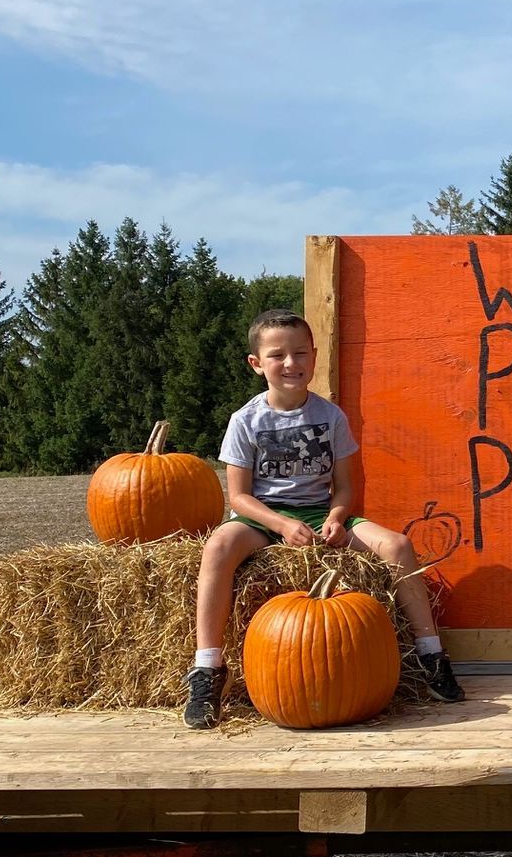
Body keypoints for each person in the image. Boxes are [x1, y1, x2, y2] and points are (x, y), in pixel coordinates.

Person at [180, 308, 462, 729]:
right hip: (263, 517)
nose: (290, 363)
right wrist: (279, 524)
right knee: (218, 547)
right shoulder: (246, 421)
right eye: (277, 355)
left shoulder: (330, 417)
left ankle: (430, 655)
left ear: (314, 356)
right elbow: (238, 495)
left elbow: (346, 487)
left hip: (318, 512)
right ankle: (207, 669)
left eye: (299, 353)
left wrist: (336, 516)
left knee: (398, 546)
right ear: (256, 364)